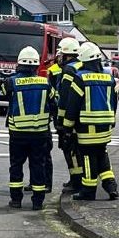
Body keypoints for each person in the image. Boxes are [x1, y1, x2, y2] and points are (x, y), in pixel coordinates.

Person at [61, 42, 119, 201]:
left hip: (87, 127)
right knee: (102, 153)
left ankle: (88, 190)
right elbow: (114, 102)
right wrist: (112, 120)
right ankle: (111, 186)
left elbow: (72, 106)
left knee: (88, 156)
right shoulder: (109, 78)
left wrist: (66, 127)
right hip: (106, 126)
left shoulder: (80, 78)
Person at [3, 46, 54, 210]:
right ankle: (37, 202)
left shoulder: (12, 81)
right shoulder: (45, 83)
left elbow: (5, 91)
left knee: (16, 166)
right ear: (36, 65)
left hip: (18, 133)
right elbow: (55, 101)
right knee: (38, 165)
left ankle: (16, 200)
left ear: (19, 64)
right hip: (40, 132)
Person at [49, 37, 85, 192]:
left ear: (66, 54)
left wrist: (61, 121)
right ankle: (79, 180)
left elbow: (63, 97)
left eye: (60, 54)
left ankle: (75, 181)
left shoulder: (68, 69)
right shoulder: (82, 65)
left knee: (70, 149)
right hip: (82, 115)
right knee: (79, 149)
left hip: (68, 117)